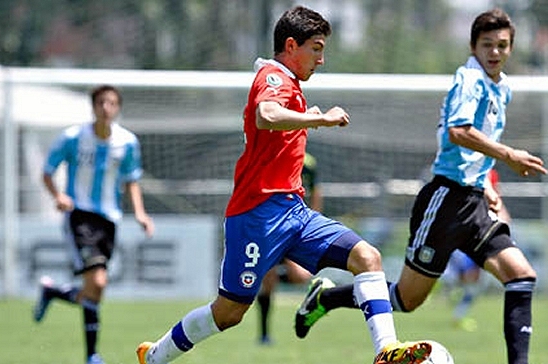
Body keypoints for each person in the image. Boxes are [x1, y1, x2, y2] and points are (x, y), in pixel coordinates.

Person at [135, 6, 429, 364]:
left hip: (295, 211)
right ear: (291, 45)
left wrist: (308, 117)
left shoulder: (291, 85)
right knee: (228, 313)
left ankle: (386, 351)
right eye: (316, 48)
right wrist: (318, 119)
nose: (321, 60)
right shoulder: (273, 77)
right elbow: (266, 114)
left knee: (367, 258)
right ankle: (155, 356)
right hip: (257, 215)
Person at [294, 8, 548, 364]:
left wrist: (485, 182)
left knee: (521, 276)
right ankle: (325, 299)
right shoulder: (469, 80)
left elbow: (480, 138)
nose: (494, 52)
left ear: (511, 48)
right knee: (406, 300)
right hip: (445, 201)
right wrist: (508, 155)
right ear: (473, 46)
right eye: (486, 44)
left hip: (474, 202)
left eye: (502, 45)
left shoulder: (500, 87)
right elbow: (458, 132)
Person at [34, 85, 155, 364]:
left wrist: (140, 213)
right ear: (93, 106)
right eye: (101, 102)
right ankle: (91, 355)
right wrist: (58, 195)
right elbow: (47, 171)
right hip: (80, 215)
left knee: (94, 289)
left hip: (109, 219)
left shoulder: (126, 142)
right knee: (97, 282)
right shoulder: (73, 137)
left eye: (111, 103)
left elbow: (131, 180)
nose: (106, 107)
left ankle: (52, 292)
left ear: (118, 108)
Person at [255, 152, 321, 345]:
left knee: (300, 277)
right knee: (268, 281)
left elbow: (316, 190)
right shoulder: (271, 158)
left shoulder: (308, 162)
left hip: (296, 227)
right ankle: (264, 334)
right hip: (271, 228)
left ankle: (320, 298)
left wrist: (314, 220)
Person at [441, 169, 510, 332]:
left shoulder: (491, 172)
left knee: (474, 278)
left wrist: (504, 215)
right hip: (467, 228)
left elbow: (495, 197)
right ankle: (450, 289)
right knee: (471, 276)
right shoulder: (464, 167)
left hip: (481, 228)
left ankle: (458, 309)